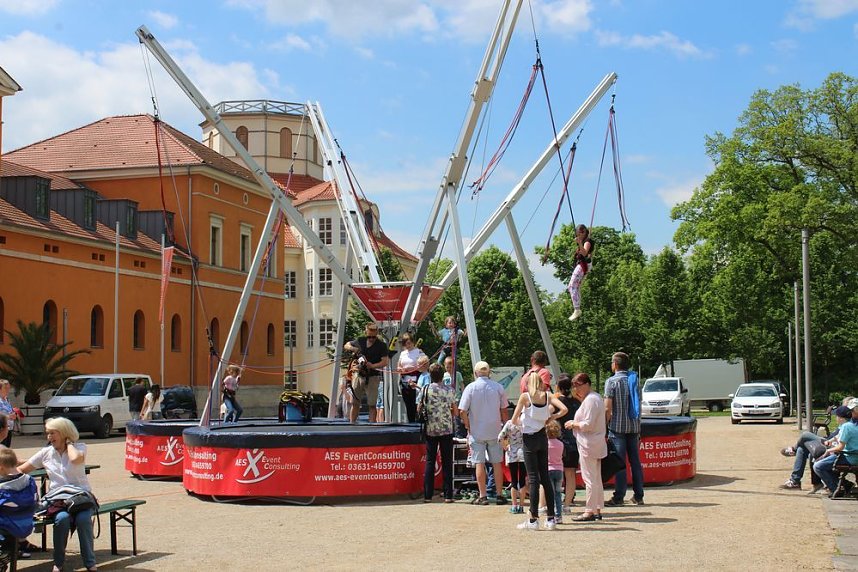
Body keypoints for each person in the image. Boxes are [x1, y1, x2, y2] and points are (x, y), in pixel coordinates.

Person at [19, 417, 97, 572]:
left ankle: (90, 563)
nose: (49, 437)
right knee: (62, 519)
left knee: (83, 519)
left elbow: (76, 459)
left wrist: (68, 444)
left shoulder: (79, 447)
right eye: (48, 433)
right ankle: (58, 563)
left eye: (53, 433)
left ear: (64, 433)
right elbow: (23, 468)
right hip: (58, 500)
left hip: (81, 498)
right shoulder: (46, 453)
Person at [511, 371, 567, 530]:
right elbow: (563, 409)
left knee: (533, 478)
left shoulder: (525, 397)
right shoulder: (547, 396)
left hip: (529, 439)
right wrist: (551, 418)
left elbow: (514, 419)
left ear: (528, 383)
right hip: (543, 438)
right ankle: (551, 518)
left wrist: (523, 424)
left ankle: (533, 519)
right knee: (545, 478)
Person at [458, 361, 508, 506]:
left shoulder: (470, 388)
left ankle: (483, 495)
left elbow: (462, 410)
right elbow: (504, 409)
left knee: (479, 463)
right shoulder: (498, 387)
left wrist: (467, 424)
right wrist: (506, 426)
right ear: (489, 372)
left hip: (477, 431)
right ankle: (499, 494)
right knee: (497, 463)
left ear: (475, 373)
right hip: (495, 430)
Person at [604, 351, 645, 507]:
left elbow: (607, 408)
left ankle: (619, 496)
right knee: (635, 462)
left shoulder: (612, 382)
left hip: (617, 427)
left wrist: (604, 426)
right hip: (634, 427)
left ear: (615, 364)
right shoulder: (634, 380)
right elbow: (639, 405)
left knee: (619, 463)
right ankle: (638, 495)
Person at [565, 372, 606, 522]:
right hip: (593, 442)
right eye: (574, 386)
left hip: (589, 443)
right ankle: (596, 509)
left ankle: (589, 511)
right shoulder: (594, 398)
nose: (576, 389)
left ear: (587, 384)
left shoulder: (591, 400)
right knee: (595, 478)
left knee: (589, 479)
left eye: (578, 385)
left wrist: (572, 424)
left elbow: (588, 424)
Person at [419, 363, 458, 503]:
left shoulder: (425, 389)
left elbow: (419, 407)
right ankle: (448, 495)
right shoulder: (450, 390)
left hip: (431, 428)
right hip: (447, 428)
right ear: (443, 375)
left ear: (430, 375)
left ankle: (427, 495)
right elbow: (456, 411)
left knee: (430, 461)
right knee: (447, 461)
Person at [344, 323, 389, 423]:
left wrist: (372, 365)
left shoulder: (381, 345)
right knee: (355, 402)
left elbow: (385, 361)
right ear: (366, 333)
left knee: (372, 404)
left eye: (373, 337)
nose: (371, 339)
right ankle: (352, 424)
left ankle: (372, 426)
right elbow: (346, 345)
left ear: (377, 334)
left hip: (373, 376)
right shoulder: (360, 341)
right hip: (359, 375)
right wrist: (354, 349)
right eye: (369, 336)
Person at [0, 447, 37, 568]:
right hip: (26, 525)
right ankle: (7, 553)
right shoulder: (29, 481)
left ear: (1, 467)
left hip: (8, 526)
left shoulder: (2, 487)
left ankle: (5, 553)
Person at [813, 403, 858, 496]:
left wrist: (828, 451)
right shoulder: (853, 426)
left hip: (849, 458)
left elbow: (840, 447)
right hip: (854, 456)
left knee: (818, 466)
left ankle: (836, 489)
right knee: (824, 463)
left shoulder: (847, 427)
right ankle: (844, 484)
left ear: (841, 418)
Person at [556, 373, 581, 512]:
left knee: (556, 473)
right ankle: (567, 504)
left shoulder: (557, 402)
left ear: (558, 387)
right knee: (571, 474)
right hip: (574, 442)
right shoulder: (577, 403)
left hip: (559, 442)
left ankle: (555, 502)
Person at [498, 413, 526, 514]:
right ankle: (522, 505)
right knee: (522, 480)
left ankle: (514, 506)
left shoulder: (509, 423)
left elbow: (500, 437)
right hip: (523, 453)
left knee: (514, 481)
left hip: (512, 453)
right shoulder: (525, 424)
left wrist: (505, 447)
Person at [396, 333, 426, 423]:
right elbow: (398, 366)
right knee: (408, 405)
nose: (408, 345)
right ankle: (411, 423)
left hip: (415, 381)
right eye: (406, 344)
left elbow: (424, 364)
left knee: (416, 403)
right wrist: (401, 369)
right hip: (405, 381)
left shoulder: (419, 352)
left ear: (413, 342)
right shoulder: (403, 353)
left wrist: (412, 368)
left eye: (409, 343)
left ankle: (418, 422)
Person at [567, 223, 593, 321]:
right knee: (575, 287)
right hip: (583, 266)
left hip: (583, 266)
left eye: (578, 234)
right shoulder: (584, 241)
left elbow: (585, 253)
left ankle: (577, 309)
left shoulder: (587, 242)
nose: (577, 236)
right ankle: (577, 308)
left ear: (583, 233)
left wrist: (579, 243)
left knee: (572, 286)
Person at [546, 420, 565, 524]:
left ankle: (551, 515)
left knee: (550, 494)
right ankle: (559, 516)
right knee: (558, 494)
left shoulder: (545, 444)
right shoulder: (561, 444)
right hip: (559, 470)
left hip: (548, 470)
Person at [0, 381, 16, 448]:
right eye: (5, 388)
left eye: (9, 388)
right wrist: (8, 416)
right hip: (1, 428)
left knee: (6, 448)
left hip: (8, 427)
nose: (8, 390)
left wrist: (14, 414)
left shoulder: (7, 399)